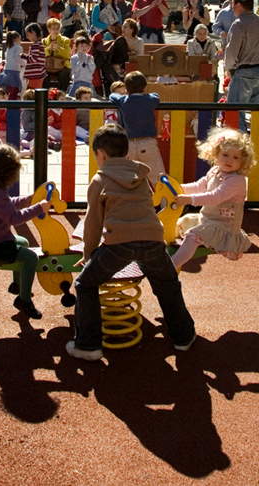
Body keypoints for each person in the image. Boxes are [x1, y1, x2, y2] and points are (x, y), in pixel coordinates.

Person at [66, 123, 196, 361]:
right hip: (152, 240)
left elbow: (93, 222)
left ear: (101, 154)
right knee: (168, 284)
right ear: (127, 153)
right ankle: (183, 337)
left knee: (85, 285)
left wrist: (88, 254)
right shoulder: (141, 176)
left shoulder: (99, 180)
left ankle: (88, 345)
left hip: (119, 244)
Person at [0, 144, 51, 320]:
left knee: (22, 241)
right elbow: (13, 217)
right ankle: (25, 300)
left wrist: (30, 199)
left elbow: (9, 203)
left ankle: (17, 285)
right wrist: (39, 208)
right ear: (6, 173)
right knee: (31, 258)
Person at [170, 127, 254, 268]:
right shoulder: (215, 171)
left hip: (224, 228)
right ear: (216, 154)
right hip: (208, 220)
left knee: (193, 235)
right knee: (180, 222)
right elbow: (199, 186)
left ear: (242, 161)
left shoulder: (236, 180)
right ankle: (162, 253)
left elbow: (216, 197)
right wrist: (177, 188)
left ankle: (172, 265)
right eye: (225, 155)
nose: (229, 160)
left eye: (235, 157)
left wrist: (189, 199)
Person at [223, 0, 259, 130]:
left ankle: (238, 147)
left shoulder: (239, 24)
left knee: (236, 113)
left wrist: (228, 68)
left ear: (239, 5)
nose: (231, 7)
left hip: (243, 72)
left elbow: (231, 52)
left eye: (232, 3)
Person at [109, 70, 166, 187]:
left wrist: (122, 95)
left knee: (134, 178)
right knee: (158, 177)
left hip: (131, 145)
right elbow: (156, 96)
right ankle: (168, 202)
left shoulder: (123, 101)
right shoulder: (149, 100)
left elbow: (112, 95)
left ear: (126, 89)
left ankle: (134, 203)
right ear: (145, 88)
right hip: (148, 143)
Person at [43, 17, 71, 92]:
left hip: (62, 65)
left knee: (64, 74)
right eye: (53, 28)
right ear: (49, 30)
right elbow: (41, 55)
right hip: (48, 66)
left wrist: (59, 49)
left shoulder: (65, 41)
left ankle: (61, 94)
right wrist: (48, 49)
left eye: (57, 28)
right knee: (43, 74)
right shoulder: (44, 42)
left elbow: (68, 55)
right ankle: (46, 95)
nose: (56, 31)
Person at [0, 30, 24, 99]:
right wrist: (24, 63)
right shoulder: (18, 47)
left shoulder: (9, 47)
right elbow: (17, 57)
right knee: (14, 91)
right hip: (14, 71)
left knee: (7, 90)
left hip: (6, 71)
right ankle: (11, 104)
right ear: (16, 39)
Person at [23, 22, 46, 90]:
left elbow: (33, 59)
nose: (27, 37)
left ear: (33, 33)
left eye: (28, 34)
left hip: (35, 74)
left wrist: (23, 56)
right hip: (37, 74)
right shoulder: (39, 44)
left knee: (32, 92)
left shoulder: (36, 45)